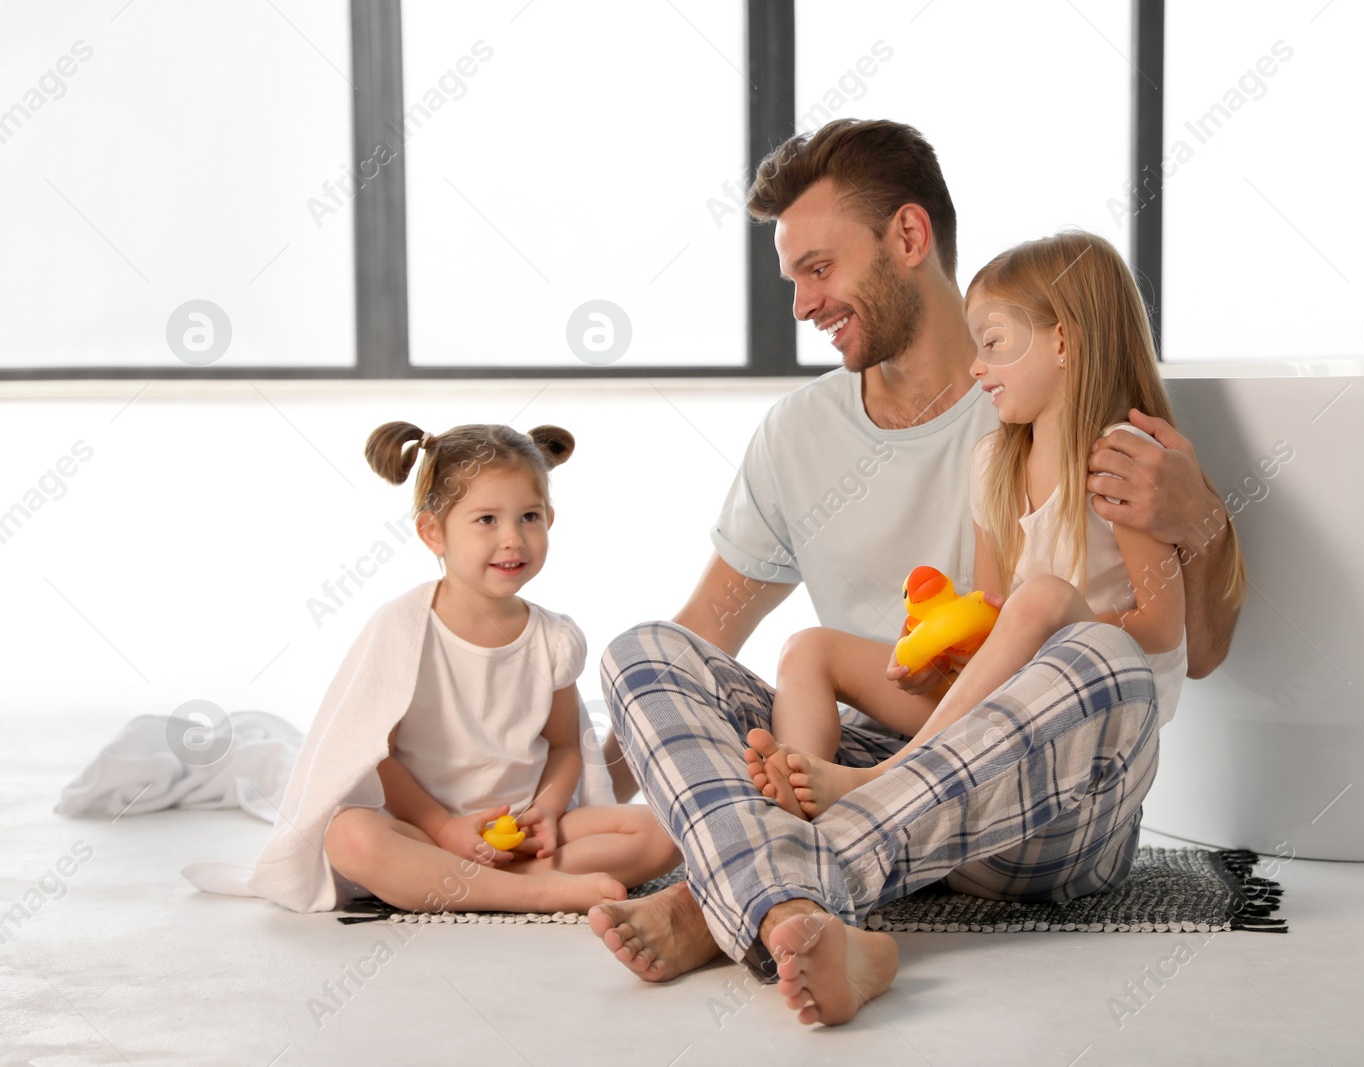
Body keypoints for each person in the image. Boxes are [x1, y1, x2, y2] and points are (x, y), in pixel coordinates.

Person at [588, 118, 1243, 1026]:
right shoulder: (797, 436)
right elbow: (704, 633)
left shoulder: (1048, 411)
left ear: (907, 236)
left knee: (1097, 655)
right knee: (643, 653)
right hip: (870, 757)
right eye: (793, 279)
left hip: (1039, 800)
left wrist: (1200, 522)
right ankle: (800, 910)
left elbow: (1188, 655)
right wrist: (575, 780)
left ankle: (729, 895)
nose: (802, 305)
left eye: (819, 268)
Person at [748, 230, 1238, 819]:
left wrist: (1037, 629)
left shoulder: (1120, 462)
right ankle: (791, 802)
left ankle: (881, 782)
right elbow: (991, 614)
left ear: (1062, 340)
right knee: (809, 648)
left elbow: (1161, 631)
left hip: (1100, 714)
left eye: (994, 342)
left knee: (1040, 600)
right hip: (1013, 701)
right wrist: (946, 653)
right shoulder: (993, 463)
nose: (977, 366)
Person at [199, 421, 680, 917]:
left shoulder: (553, 639)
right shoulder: (405, 629)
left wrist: (547, 810)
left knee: (665, 832)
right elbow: (374, 753)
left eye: (529, 517)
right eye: (487, 520)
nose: (513, 539)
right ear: (434, 532)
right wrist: (443, 828)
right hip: (424, 829)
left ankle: (465, 883)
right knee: (352, 838)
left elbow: (562, 745)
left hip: (516, 823)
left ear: (550, 520)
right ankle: (535, 892)